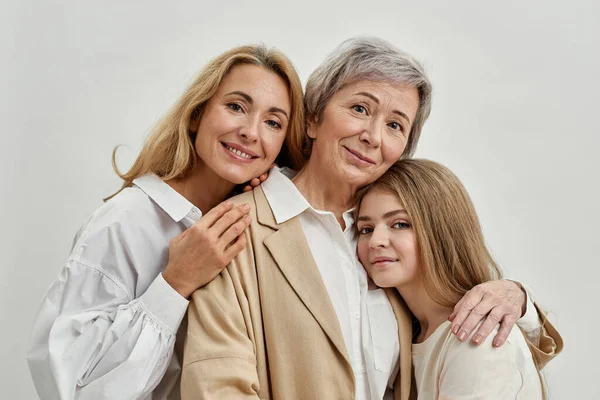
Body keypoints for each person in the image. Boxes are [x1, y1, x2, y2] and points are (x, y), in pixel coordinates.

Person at [180, 37, 562, 400]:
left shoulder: (393, 243)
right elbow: (215, 385)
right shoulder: (234, 227)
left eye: (395, 125)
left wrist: (515, 296)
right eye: (360, 109)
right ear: (313, 119)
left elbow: (479, 361)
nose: (373, 136)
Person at [26, 44, 305, 400]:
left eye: (272, 122)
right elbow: (68, 387)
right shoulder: (126, 221)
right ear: (196, 114)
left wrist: (272, 191)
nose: (251, 132)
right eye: (236, 106)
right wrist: (174, 284)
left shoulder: (252, 223)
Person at [355, 159, 563, 399]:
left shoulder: (477, 338)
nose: (375, 241)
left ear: (441, 231)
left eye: (400, 224)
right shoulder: (407, 334)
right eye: (366, 229)